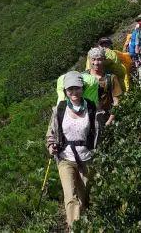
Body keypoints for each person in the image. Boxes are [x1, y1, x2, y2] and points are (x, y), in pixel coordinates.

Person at [46, 71, 100, 229]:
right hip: (65, 158)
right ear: (65, 92)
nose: (74, 92)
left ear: (82, 88)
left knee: (84, 196)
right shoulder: (60, 109)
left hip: (87, 157)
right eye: (70, 89)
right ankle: (75, 228)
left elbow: (97, 131)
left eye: (77, 88)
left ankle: (84, 220)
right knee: (70, 197)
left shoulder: (91, 107)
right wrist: (51, 146)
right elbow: (51, 133)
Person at [86, 47, 122, 128]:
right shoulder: (83, 77)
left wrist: (109, 121)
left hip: (106, 118)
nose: (96, 63)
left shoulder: (111, 78)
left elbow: (116, 102)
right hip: (86, 119)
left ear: (104, 60)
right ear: (89, 60)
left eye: (99, 59)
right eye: (93, 59)